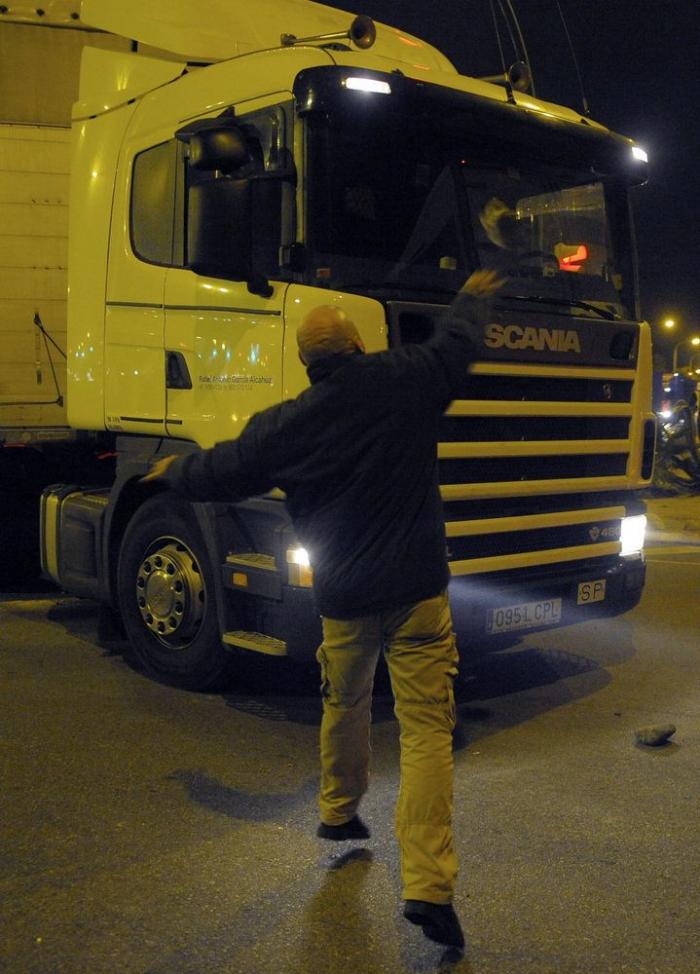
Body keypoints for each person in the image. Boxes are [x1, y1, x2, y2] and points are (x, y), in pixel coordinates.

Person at [145, 269, 504, 949]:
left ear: (307, 364)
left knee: (345, 700)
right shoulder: (407, 379)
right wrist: (472, 299)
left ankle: (340, 813)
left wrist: (173, 473)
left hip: (344, 597)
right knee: (426, 729)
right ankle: (428, 886)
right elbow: (456, 347)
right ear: (360, 344)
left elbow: (225, 467)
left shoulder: (288, 424)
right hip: (419, 592)